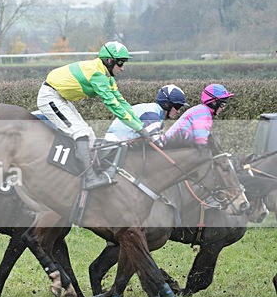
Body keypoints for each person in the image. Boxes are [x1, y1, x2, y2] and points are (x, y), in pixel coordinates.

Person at [37, 41, 148, 190]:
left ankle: (90, 173)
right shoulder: (98, 74)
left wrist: (140, 125)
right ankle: (89, 178)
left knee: (89, 135)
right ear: (109, 61)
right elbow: (113, 106)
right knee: (80, 132)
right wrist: (139, 129)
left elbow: (121, 101)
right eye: (120, 63)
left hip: (61, 98)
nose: (123, 68)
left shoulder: (107, 76)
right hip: (49, 97)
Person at [105, 84, 186, 143]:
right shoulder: (151, 115)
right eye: (177, 106)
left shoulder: (157, 114)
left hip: (123, 142)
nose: (178, 111)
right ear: (167, 104)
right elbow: (159, 144)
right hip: (115, 141)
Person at [163, 83, 233, 146]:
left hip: (173, 146)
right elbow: (201, 141)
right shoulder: (204, 114)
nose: (223, 108)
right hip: (170, 148)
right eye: (222, 105)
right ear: (214, 102)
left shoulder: (201, 110)